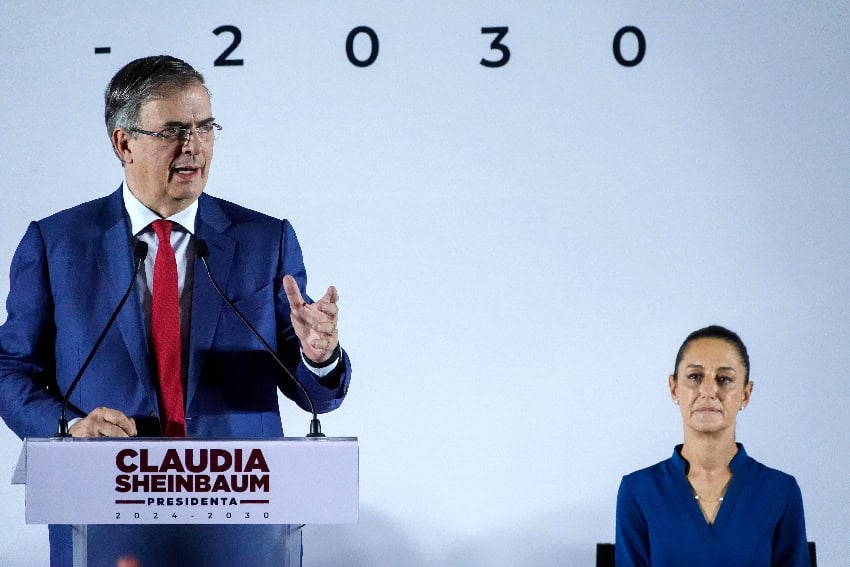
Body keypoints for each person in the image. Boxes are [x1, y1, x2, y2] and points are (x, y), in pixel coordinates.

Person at [0, 55, 351, 566]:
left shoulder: (265, 239)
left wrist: (319, 357)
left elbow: (312, 391)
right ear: (123, 143)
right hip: (106, 518)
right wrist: (69, 429)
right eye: (173, 131)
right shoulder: (57, 243)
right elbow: (11, 369)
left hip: (242, 522)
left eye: (205, 127)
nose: (194, 146)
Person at [615, 325, 809, 566]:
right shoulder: (639, 491)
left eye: (724, 379)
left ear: (745, 394)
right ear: (674, 388)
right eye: (695, 377)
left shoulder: (780, 491)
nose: (708, 391)